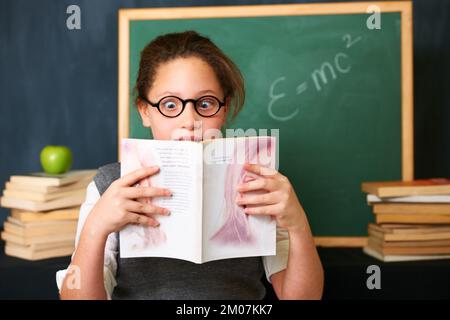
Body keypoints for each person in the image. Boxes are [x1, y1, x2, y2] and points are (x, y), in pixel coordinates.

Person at [57, 31, 323, 300]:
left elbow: (302, 297)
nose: (189, 120)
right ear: (144, 110)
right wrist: (96, 228)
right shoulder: (110, 185)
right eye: (169, 104)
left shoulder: (261, 182)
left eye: (205, 103)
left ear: (225, 107)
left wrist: (298, 225)